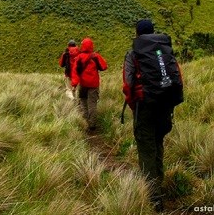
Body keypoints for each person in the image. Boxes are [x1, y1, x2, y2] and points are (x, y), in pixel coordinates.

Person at [122, 19, 183, 212]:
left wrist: (133, 105)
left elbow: (128, 84)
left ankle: (154, 197)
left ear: (137, 34)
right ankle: (158, 184)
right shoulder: (164, 51)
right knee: (157, 144)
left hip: (145, 106)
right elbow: (177, 77)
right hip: (165, 106)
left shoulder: (133, 54)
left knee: (147, 149)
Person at [71, 37, 107, 131]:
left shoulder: (79, 57)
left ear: (82, 46)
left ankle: (86, 121)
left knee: (83, 102)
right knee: (92, 104)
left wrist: (74, 84)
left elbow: (75, 71)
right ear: (91, 46)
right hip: (94, 85)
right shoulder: (95, 56)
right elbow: (104, 67)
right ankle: (92, 124)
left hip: (83, 84)